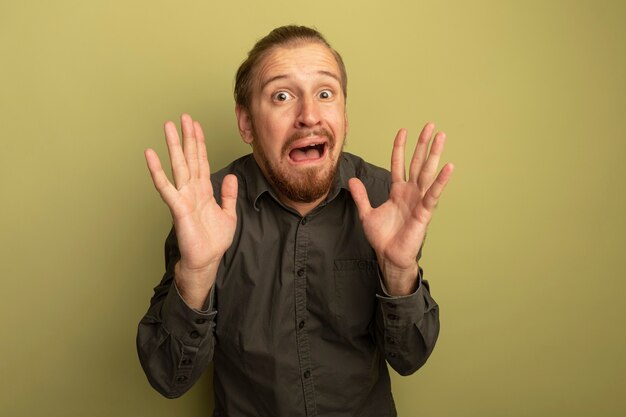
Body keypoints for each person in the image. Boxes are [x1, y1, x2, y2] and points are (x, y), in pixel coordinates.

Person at [137, 25, 453, 417]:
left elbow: (410, 358)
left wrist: (398, 272)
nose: (308, 116)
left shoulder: (385, 200)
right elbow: (169, 378)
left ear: (344, 115)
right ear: (247, 123)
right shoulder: (204, 210)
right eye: (282, 96)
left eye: (325, 93)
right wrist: (196, 275)